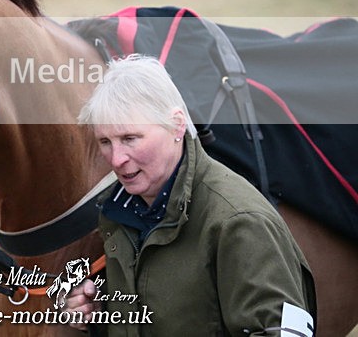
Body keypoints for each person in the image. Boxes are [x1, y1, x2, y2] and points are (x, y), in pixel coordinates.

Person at [65, 54, 316, 336]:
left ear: (176, 125)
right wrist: (102, 314)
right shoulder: (119, 212)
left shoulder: (240, 222)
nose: (117, 158)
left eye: (130, 139)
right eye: (105, 142)